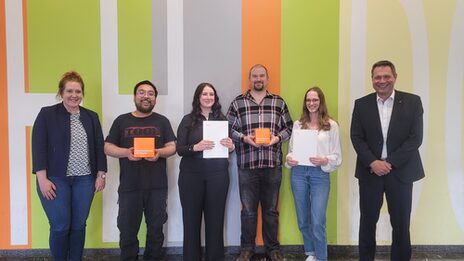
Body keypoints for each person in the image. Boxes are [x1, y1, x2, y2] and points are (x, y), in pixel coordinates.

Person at [350, 60, 424, 261]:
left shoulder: (413, 102)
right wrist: (373, 162)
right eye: (377, 77)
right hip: (370, 172)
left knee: (401, 224)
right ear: (372, 79)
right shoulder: (361, 104)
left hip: (400, 172)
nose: (382, 81)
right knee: (367, 222)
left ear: (395, 77)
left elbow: (415, 138)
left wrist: (389, 163)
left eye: (386, 76)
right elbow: (356, 136)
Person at [32, 71, 107, 261]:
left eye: (78, 91)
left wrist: (101, 174)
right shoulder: (47, 114)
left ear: (83, 93)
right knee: (60, 226)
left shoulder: (91, 116)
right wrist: (42, 180)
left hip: (85, 180)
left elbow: (99, 146)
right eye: (69, 91)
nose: (74, 95)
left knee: (79, 225)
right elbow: (38, 147)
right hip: (55, 180)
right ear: (61, 93)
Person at [227, 64, 293, 261]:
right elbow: (228, 128)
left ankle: (272, 249)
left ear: (267, 78)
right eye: (254, 76)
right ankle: (247, 249)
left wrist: (277, 138)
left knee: (271, 211)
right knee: (248, 211)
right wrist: (244, 138)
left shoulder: (278, 102)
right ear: (250, 79)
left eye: (261, 76)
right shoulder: (238, 103)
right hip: (247, 166)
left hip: (272, 166)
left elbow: (289, 128)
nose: (258, 79)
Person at [104, 80, 176, 261]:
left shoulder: (162, 121)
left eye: (150, 93)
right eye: (142, 92)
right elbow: (107, 147)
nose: (146, 96)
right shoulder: (121, 120)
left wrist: (159, 153)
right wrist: (126, 153)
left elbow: (172, 147)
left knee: (156, 230)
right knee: (127, 231)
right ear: (135, 96)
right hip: (130, 187)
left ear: (155, 99)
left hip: (157, 187)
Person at [177, 83, 235, 261]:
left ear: (215, 98)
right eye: (204, 94)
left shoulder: (222, 119)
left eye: (211, 94)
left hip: (218, 176)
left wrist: (231, 146)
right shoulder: (188, 120)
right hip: (191, 176)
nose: (208, 97)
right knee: (191, 221)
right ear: (198, 98)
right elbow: (180, 149)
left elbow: (229, 146)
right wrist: (196, 147)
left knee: (215, 221)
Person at [285, 87, 342, 261]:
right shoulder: (298, 124)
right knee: (303, 219)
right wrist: (290, 159)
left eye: (315, 100)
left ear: (321, 101)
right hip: (299, 173)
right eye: (308, 100)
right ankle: (311, 253)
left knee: (318, 221)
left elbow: (337, 156)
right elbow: (290, 152)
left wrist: (325, 160)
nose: (311, 103)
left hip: (320, 174)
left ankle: (322, 257)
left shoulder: (331, 125)